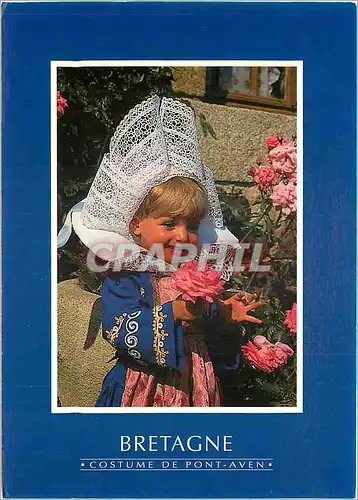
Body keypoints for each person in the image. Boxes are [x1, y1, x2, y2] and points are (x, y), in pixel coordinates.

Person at [58, 95, 262, 407]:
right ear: (136, 224)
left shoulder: (195, 272)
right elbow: (116, 327)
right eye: (169, 223)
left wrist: (224, 318)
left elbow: (212, 340)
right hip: (143, 385)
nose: (183, 235)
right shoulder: (128, 272)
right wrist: (173, 313)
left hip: (196, 386)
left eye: (192, 226)